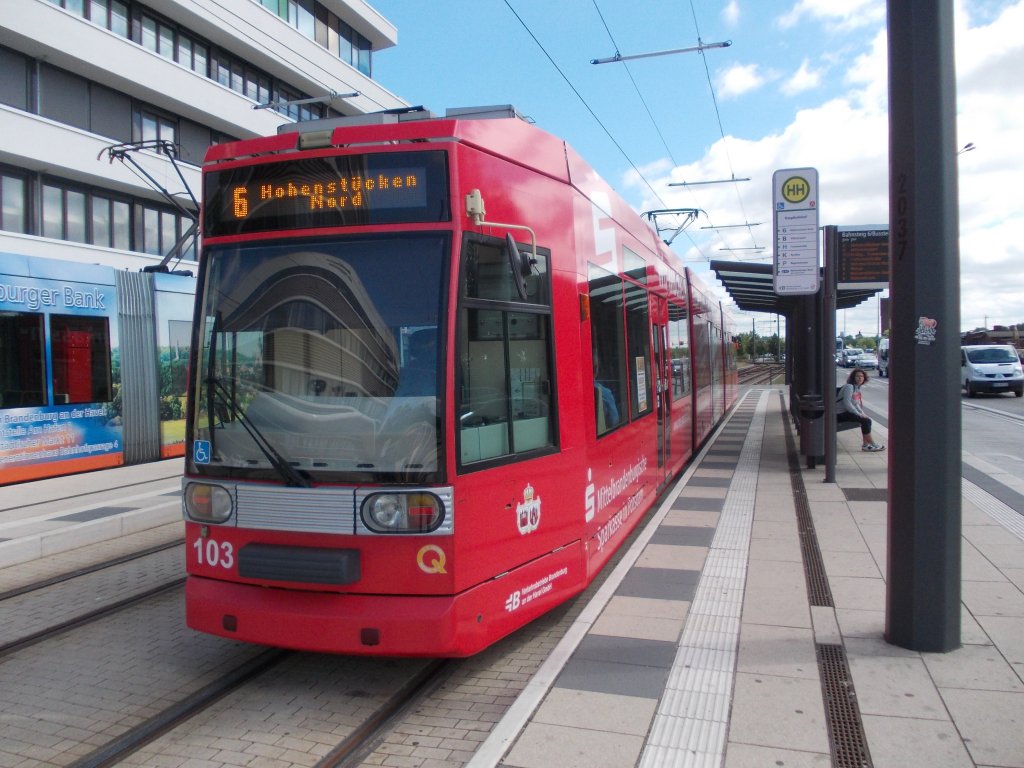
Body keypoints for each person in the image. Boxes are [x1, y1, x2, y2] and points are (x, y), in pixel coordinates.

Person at [837, 367, 884, 451]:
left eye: (862, 376)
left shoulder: (857, 388)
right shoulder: (849, 387)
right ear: (853, 378)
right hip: (838, 413)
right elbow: (847, 403)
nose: (860, 378)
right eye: (857, 376)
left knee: (866, 419)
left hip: (845, 412)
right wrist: (858, 414)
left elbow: (856, 404)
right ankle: (872, 444)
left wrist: (862, 413)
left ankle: (866, 445)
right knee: (865, 421)